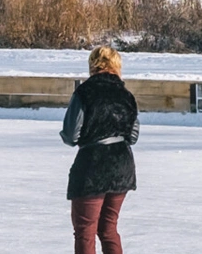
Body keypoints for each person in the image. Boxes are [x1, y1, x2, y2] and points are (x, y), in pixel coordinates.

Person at [63, 44, 140, 254]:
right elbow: (133, 136)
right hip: (122, 165)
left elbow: (71, 135)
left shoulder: (84, 92)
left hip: (92, 166)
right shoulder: (126, 95)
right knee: (108, 229)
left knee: (85, 231)